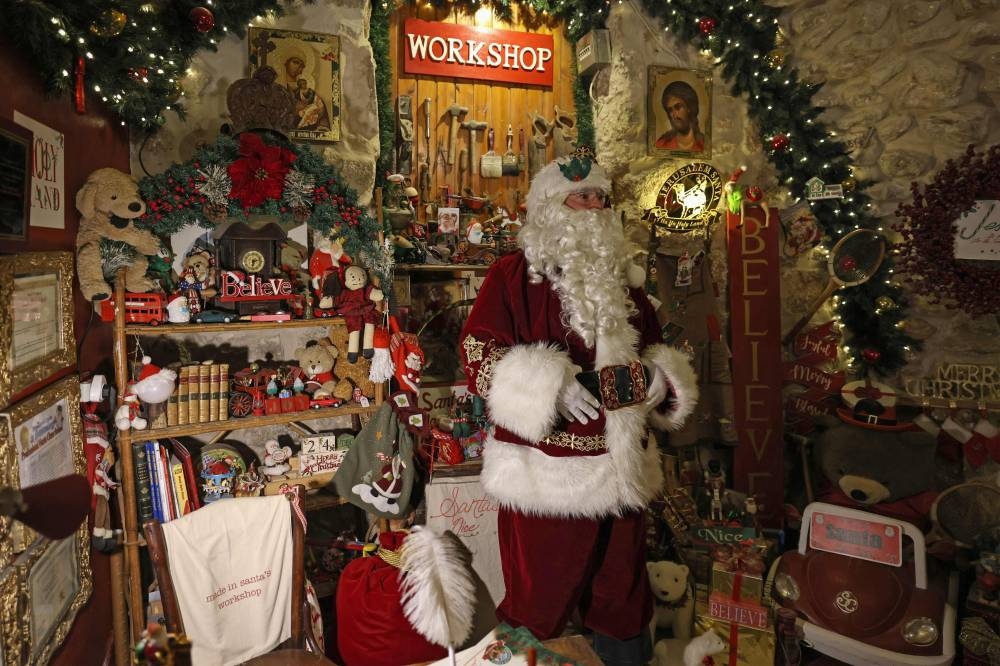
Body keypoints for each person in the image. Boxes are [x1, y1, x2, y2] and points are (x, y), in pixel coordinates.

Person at [459, 147, 698, 665]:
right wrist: (547, 385)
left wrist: (662, 378)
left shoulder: (625, 282)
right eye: (581, 197)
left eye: (599, 197)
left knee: (621, 597)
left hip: (622, 465)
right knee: (538, 599)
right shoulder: (510, 276)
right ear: (550, 206)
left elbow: (655, 347)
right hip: (547, 472)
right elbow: (477, 353)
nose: (594, 207)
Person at [654, 80, 706, 152]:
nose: (674, 115)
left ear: (689, 107)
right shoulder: (661, 144)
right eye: (670, 110)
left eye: (678, 107)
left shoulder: (704, 144)